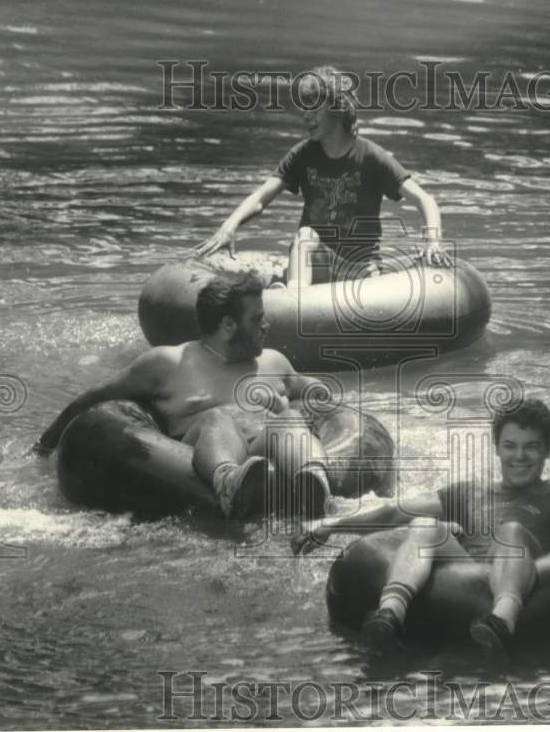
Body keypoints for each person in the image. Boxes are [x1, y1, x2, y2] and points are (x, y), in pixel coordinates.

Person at [292, 397, 550, 657]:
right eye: (510, 446)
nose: (520, 457)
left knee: (510, 531)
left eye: (531, 447)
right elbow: (392, 513)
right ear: (497, 449)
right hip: (468, 571)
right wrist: (331, 524)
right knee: (423, 524)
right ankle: (389, 614)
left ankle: (502, 620)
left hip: (528, 574)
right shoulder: (469, 492)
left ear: (546, 451)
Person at [35, 271, 332, 520]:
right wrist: (43, 448)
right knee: (216, 417)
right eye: (257, 320)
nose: (266, 325)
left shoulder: (274, 362)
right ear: (228, 325)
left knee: (289, 420)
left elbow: (319, 394)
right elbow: (93, 398)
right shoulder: (168, 364)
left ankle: (316, 489)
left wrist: (284, 407)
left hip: (262, 454)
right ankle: (229, 484)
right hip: (201, 461)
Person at [194, 65, 451, 286]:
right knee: (306, 236)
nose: (306, 115)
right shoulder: (303, 154)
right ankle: (295, 298)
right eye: (304, 108)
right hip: (316, 260)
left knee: (366, 284)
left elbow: (424, 200)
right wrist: (228, 228)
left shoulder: (371, 156)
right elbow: (261, 197)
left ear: (338, 109)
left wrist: (433, 243)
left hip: (360, 266)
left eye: (314, 108)